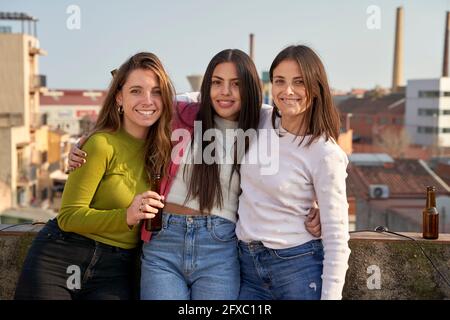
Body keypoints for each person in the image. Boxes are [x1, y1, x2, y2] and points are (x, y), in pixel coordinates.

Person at [67, 49, 322, 300]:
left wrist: (315, 200)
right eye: (217, 82)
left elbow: (307, 157)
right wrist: (87, 138)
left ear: (251, 89)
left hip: (220, 246)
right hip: (163, 240)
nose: (225, 92)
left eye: (236, 84)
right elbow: (138, 108)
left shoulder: (264, 122)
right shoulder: (181, 114)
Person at [14, 52, 173, 300]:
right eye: (135, 91)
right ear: (119, 97)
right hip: (61, 258)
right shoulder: (100, 144)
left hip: (115, 271)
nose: (147, 100)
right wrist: (127, 216)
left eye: (156, 92)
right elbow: (68, 216)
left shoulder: (164, 149)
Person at [236, 45, 351, 300]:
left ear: (315, 88)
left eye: (298, 82)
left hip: (297, 268)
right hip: (247, 266)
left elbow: (337, 238)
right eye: (280, 81)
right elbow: (211, 97)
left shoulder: (324, 152)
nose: (287, 91)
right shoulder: (260, 119)